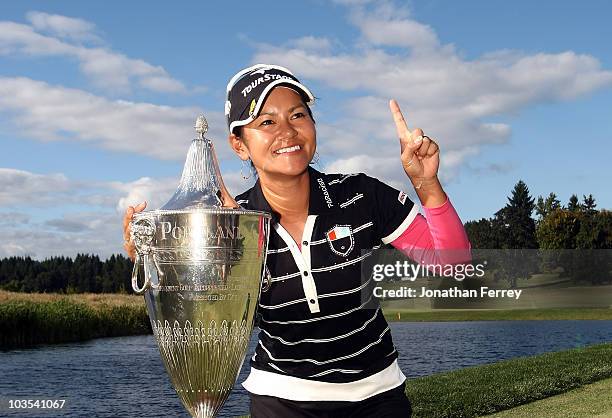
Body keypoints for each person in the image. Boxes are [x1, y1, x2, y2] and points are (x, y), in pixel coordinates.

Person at [123, 64, 471, 417]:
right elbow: (204, 317)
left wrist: (426, 183)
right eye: (267, 122)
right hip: (282, 400)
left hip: (378, 395)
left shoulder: (360, 195)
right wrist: (158, 262)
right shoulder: (233, 225)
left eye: (298, 115)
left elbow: (452, 264)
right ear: (239, 145)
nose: (287, 132)